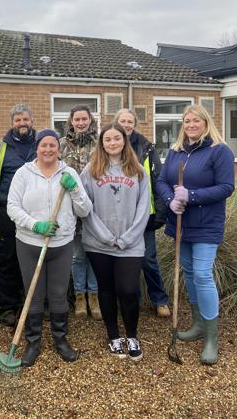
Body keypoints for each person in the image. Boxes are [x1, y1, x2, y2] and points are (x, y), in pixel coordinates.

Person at [156, 104, 235, 365]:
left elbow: (226, 187)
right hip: (181, 223)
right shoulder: (176, 152)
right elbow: (162, 181)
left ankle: (212, 337)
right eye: (187, 121)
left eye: (196, 121)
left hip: (206, 223)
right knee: (189, 272)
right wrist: (170, 200)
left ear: (205, 123)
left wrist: (192, 196)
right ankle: (198, 324)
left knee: (202, 274)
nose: (190, 125)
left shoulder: (218, 151)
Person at [7, 129, 92, 366]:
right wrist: (36, 225)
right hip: (29, 243)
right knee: (33, 295)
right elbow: (12, 207)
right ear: (37, 147)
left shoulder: (69, 172)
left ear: (58, 148)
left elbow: (85, 210)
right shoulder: (24, 173)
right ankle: (33, 342)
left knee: (57, 294)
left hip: (61, 244)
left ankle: (61, 339)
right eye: (44, 145)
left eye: (52, 145)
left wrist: (74, 189)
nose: (48, 149)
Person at [80, 123, 150, 361]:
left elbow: (143, 209)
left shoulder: (138, 171)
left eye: (116, 138)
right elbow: (85, 207)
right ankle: (113, 335)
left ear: (124, 141)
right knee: (107, 290)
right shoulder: (91, 170)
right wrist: (105, 236)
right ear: (102, 143)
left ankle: (132, 335)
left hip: (130, 244)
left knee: (128, 290)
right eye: (107, 139)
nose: (112, 143)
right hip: (99, 242)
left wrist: (128, 237)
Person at [114, 109, 170, 318]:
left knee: (148, 259)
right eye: (123, 121)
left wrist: (160, 212)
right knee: (126, 261)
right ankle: (132, 300)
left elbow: (158, 179)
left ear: (134, 124)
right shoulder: (111, 144)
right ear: (116, 123)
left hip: (144, 215)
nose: (127, 125)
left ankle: (160, 299)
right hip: (120, 215)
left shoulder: (146, 148)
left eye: (130, 121)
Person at [0, 104, 37, 326]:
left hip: (37, 211)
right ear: (12, 123)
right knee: (8, 258)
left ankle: (36, 304)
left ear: (32, 120)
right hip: (8, 212)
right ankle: (9, 306)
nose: (22, 124)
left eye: (25, 119)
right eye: (18, 120)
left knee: (36, 258)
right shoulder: (0, 148)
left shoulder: (41, 144)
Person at [59, 105, 102, 321]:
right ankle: (79, 296)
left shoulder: (100, 143)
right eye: (77, 119)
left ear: (90, 120)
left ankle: (94, 296)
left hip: (96, 205)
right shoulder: (63, 144)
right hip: (71, 206)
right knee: (77, 255)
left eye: (84, 119)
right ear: (71, 121)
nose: (81, 122)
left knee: (93, 253)